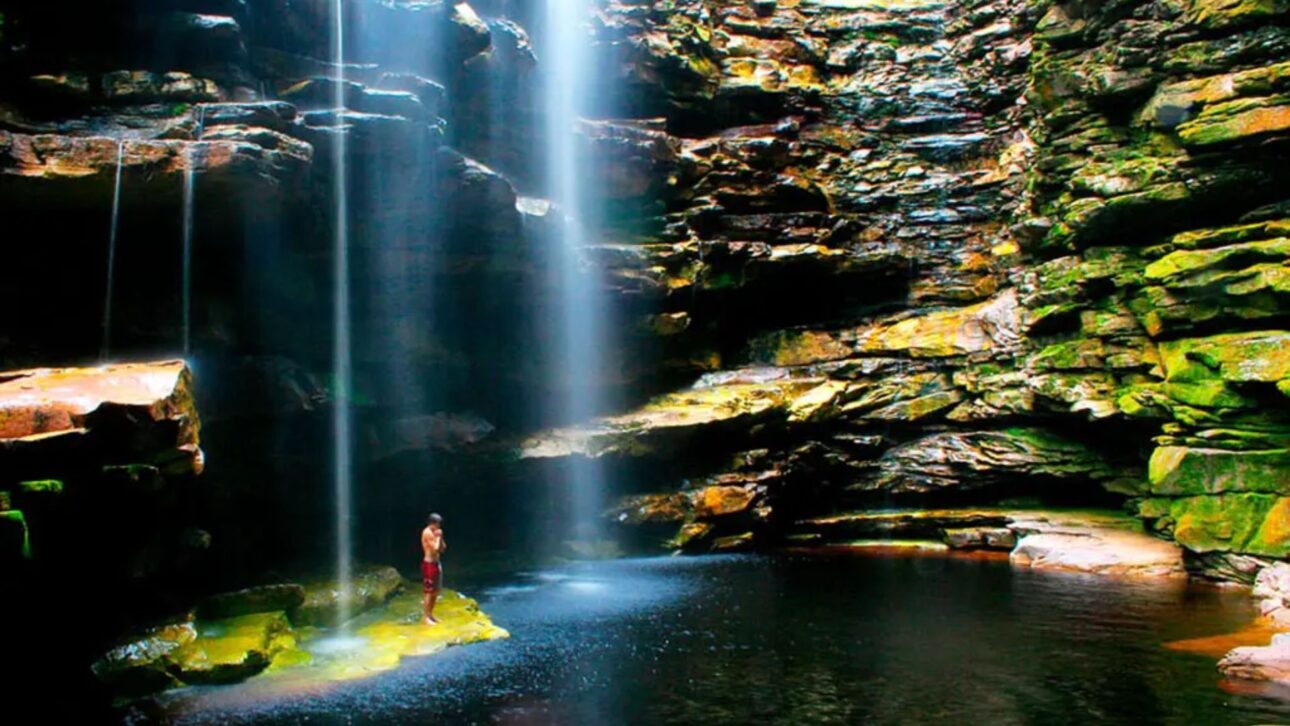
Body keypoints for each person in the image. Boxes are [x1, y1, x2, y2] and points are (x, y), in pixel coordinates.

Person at [421, 513, 447, 625]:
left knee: (435, 592)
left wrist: (440, 538)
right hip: (429, 564)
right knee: (429, 592)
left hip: (436, 563)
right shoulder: (427, 533)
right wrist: (438, 537)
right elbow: (435, 549)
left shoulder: (435, 532)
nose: (439, 526)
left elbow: (443, 548)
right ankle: (426, 617)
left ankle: (431, 615)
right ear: (432, 523)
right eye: (438, 524)